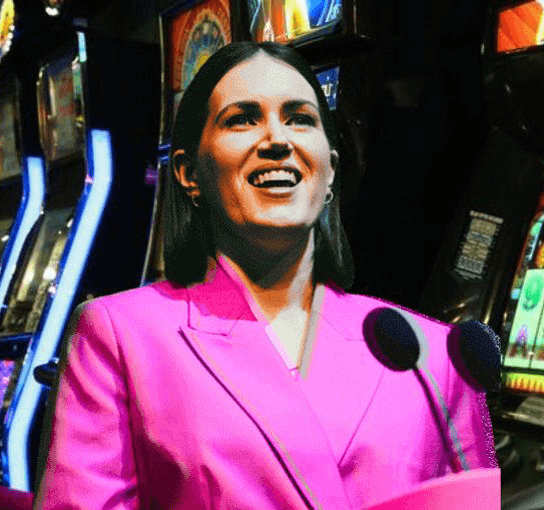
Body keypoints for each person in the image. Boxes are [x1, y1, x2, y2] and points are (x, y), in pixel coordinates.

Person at [35, 42, 497, 510]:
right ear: (189, 172)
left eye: (300, 118)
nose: (278, 139)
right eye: (242, 119)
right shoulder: (119, 336)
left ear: (331, 169)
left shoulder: (430, 353)